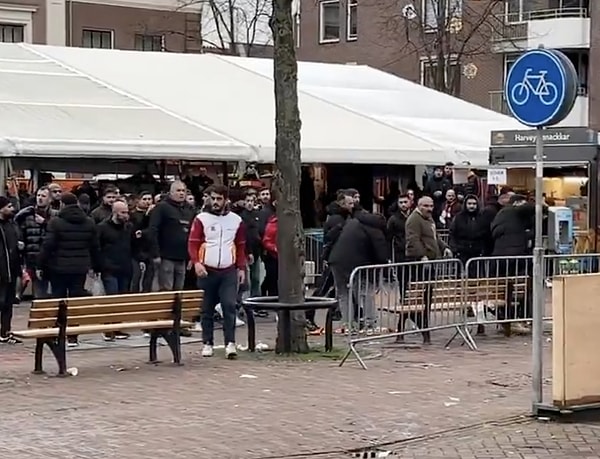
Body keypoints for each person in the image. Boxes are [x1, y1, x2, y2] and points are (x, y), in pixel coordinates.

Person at [188, 185, 246, 360]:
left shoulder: (236, 220)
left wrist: (241, 267)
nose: (215, 202)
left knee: (229, 305)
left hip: (228, 270)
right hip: (207, 270)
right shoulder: (201, 219)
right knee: (206, 309)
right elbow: (193, 242)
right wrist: (197, 263)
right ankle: (207, 343)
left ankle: (230, 343)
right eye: (212, 198)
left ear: (226, 200)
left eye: (219, 199)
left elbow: (241, 245)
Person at [38, 192, 101, 347]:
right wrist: (96, 266)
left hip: (58, 268)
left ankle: (57, 333)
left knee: (58, 299)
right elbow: (95, 247)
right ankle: (73, 336)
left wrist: (40, 264)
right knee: (75, 300)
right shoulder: (89, 222)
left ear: (62, 205)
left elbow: (48, 246)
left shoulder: (56, 222)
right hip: (80, 268)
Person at [328, 211, 388, 333]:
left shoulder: (351, 222)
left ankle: (348, 324)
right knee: (366, 292)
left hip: (336, 260)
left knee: (343, 293)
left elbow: (331, 236)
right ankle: (370, 323)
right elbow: (381, 252)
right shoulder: (374, 229)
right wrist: (383, 265)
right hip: (357, 263)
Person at [403, 196, 452, 344]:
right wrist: (421, 255)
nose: (429, 209)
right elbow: (413, 239)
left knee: (425, 296)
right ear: (418, 205)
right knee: (417, 296)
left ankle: (418, 324)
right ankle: (421, 325)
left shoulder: (429, 219)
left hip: (431, 261)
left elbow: (434, 236)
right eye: (426, 206)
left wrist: (444, 247)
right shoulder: (414, 220)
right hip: (419, 263)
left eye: (431, 206)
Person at [97, 200, 136, 341]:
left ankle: (117, 327)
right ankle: (109, 328)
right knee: (112, 298)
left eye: (127, 212)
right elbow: (97, 247)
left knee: (122, 299)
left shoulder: (128, 227)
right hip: (109, 268)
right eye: (122, 212)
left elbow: (133, 246)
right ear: (114, 212)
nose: (126, 215)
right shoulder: (102, 228)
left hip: (125, 267)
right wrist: (99, 265)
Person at [149, 181, 196, 291]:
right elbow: (153, 230)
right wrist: (155, 254)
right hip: (166, 256)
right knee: (166, 289)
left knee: (179, 290)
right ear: (171, 192)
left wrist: (192, 256)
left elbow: (193, 233)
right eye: (178, 191)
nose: (181, 193)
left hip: (183, 256)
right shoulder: (161, 207)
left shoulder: (189, 209)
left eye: (183, 191)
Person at [15, 186, 57, 299]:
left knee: (56, 296)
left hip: (53, 260)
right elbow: (20, 233)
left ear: (50, 199)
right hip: (33, 259)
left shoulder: (56, 216)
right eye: (38, 195)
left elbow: (59, 233)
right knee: (39, 295)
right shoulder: (27, 215)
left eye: (43, 196)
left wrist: (45, 223)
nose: (40, 198)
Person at [0, 197, 22, 344]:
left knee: (8, 304)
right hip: (1, 269)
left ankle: (5, 332)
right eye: (8, 206)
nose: (12, 209)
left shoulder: (11, 224)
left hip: (11, 270)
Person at [449, 195, 486, 272]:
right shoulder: (458, 217)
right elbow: (452, 233)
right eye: (469, 204)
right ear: (465, 204)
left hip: (478, 252)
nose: (471, 206)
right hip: (462, 252)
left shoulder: (482, 217)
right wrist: (455, 249)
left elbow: (486, 234)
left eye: (474, 204)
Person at [130, 191, 155, 293]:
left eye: (149, 199)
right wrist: (147, 215)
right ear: (138, 201)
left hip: (150, 250)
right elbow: (136, 231)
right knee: (136, 278)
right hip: (136, 251)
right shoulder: (133, 215)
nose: (147, 202)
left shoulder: (155, 215)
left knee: (148, 280)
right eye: (144, 199)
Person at [386, 194, 411, 264]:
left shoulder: (415, 217)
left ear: (410, 202)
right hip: (400, 254)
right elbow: (388, 239)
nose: (403, 205)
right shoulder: (393, 219)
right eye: (401, 202)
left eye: (405, 202)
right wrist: (389, 257)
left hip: (414, 253)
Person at [261, 205, 278, 296]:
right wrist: (274, 248)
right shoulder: (272, 223)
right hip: (272, 256)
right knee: (272, 279)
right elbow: (266, 241)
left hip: (282, 258)